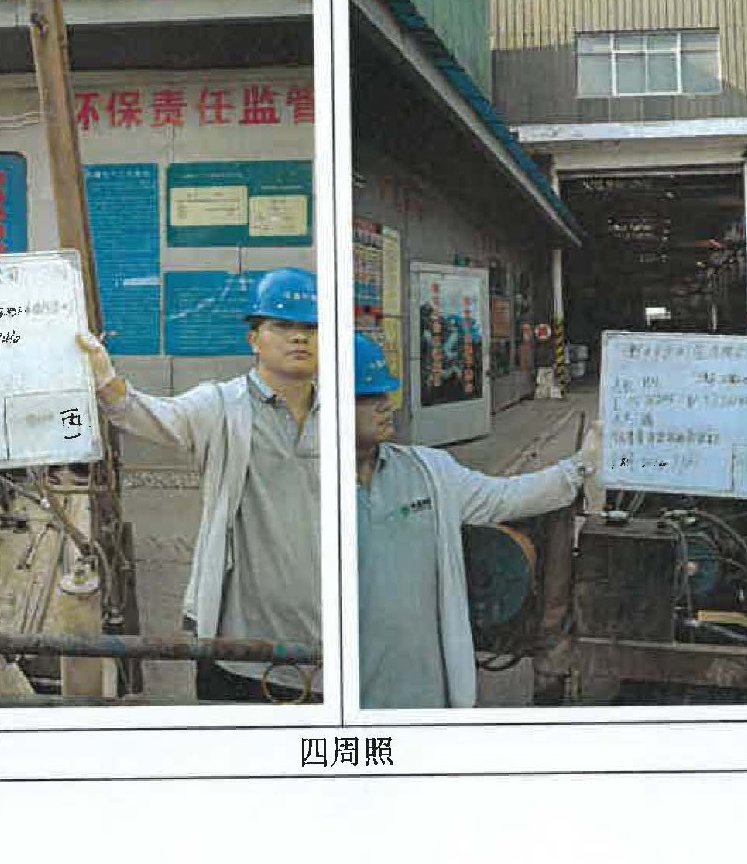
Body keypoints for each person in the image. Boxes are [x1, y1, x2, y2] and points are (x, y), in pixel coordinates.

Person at [79, 266, 319, 703]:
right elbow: (144, 414)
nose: (299, 337)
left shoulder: (343, 414)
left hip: (323, 637)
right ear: (254, 338)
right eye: (282, 325)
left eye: (311, 327)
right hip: (237, 637)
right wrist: (104, 379)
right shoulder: (221, 406)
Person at [353, 330, 599, 709]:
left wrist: (579, 466)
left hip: (421, 686)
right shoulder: (304, 488)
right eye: (367, 397)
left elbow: (504, 498)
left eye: (384, 393)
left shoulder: (428, 471)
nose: (385, 405)